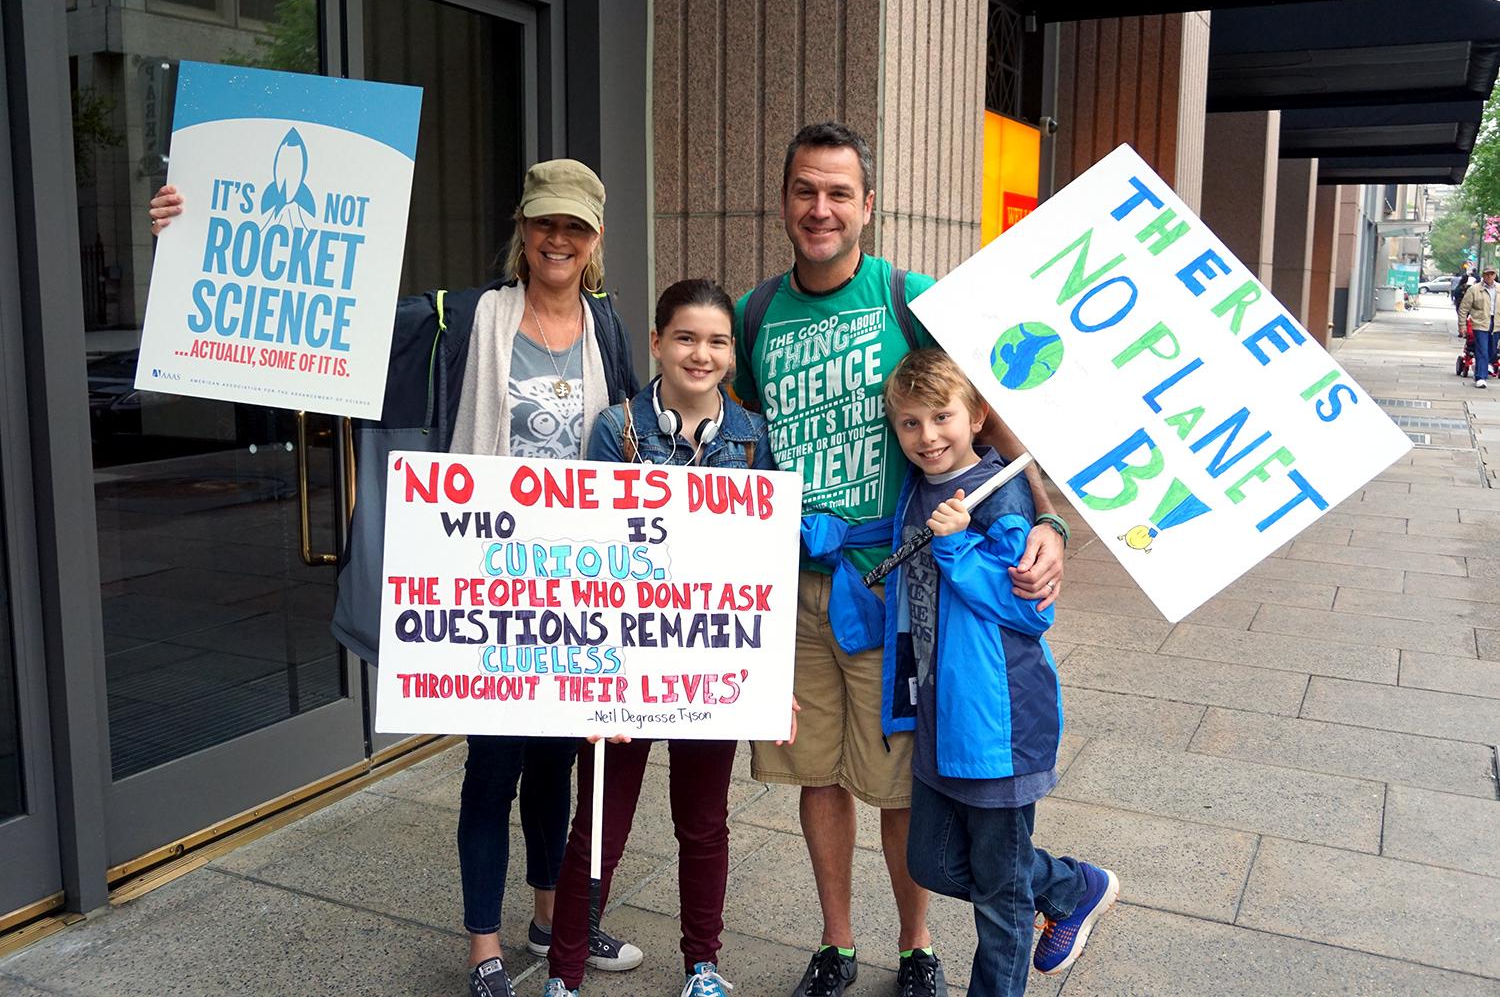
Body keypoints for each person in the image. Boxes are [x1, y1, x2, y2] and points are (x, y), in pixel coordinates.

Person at [150, 159, 645, 997]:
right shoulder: (460, 321)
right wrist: (190, 243)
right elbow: (320, 329)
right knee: (493, 769)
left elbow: (638, 440)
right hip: (485, 587)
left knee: (556, 766)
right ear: (522, 229)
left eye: (575, 227)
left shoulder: (610, 331)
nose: (557, 240)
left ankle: (552, 918)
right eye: (543, 223)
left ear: (596, 240)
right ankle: (485, 947)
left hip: (574, 590)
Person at [731, 121, 1067, 997]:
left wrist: (1050, 523)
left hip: (897, 583)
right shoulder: (754, 314)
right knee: (816, 776)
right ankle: (837, 943)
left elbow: (995, 412)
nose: (821, 208)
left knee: (899, 785)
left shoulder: (907, 296)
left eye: (839, 192)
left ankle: (917, 946)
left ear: (868, 207)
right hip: (794, 582)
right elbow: (728, 428)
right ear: (783, 203)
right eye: (806, 190)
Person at [540, 278, 779, 997]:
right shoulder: (617, 431)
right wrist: (587, 684)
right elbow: (589, 556)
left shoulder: (752, 438)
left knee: (703, 824)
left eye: (715, 341)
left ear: (732, 354)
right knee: (600, 826)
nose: (699, 354)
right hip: (622, 667)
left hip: (708, 665)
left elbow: (760, 568)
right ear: (656, 343)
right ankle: (565, 972)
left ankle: (703, 965)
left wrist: (769, 680)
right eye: (684, 338)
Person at [882, 349, 1117, 997]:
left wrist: (958, 544)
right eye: (909, 423)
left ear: (978, 415)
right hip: (939, 714)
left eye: (941, 417)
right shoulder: (921, 484)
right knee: (930, 860)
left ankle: (1040, 909)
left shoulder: (1004, 490)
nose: (927, 436)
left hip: (998, 724)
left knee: (1000, 898)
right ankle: (1069, 886)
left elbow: (1026, 607)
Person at [1459, 266, 1499, 389]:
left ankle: (1483, 365)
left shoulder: (1498, 289)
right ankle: (1480, 377)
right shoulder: (1474, 289)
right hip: (1480, 322)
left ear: (1495, 275)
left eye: (1491, 274)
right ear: (1483, 275)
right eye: (1487, 274)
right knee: (1482, 349)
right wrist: (1462, 325)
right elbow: (1464, 308)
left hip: (1496, 323)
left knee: (1492, 351)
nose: (1489, 276)